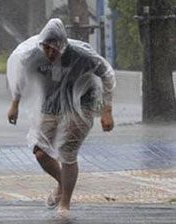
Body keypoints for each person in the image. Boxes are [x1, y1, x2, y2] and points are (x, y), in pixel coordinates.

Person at [6, 18, 116, 217]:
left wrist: (107, 111)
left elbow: (107, 74)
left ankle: (65, 203)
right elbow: (20, 75)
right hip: (51, 105)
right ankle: (61, 183)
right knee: (39, 151)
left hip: (81, 106)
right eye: (46, 48)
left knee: (67, 152)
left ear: (63, 46)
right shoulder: (34, 56)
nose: (49, 53)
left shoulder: (81, 55)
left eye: (54, 49)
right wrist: (15, 104)